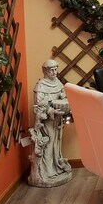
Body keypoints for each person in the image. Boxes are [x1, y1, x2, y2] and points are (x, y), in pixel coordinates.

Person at [28, 59, 72, 187]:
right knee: (49, 141)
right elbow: (39, 104)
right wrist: (51, 110)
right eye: (51, 70)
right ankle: (47, 171)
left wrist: (64, 98)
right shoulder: (41, 86)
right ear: (45, 71)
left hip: (57, 119)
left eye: (55, 69)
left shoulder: (57, 82)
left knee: (57, 142)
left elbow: (63, 96)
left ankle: (56, 167)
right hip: (46, 121)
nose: (54, 72)